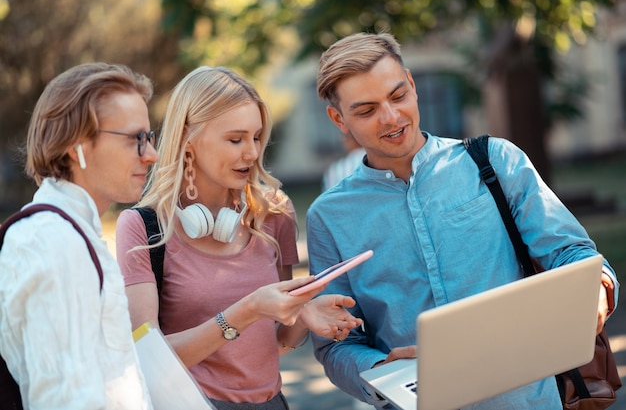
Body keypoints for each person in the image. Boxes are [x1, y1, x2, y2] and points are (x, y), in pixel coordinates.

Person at [306, 32, 620, 409]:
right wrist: (381, 369)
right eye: (366, 110)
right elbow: (337, 345)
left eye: (397, 96)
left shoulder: (495, 162)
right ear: (337, 119)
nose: (391, 118)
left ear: (411, 84)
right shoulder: (328, 217)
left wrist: (595, 293)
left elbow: (573, 253)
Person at [115, 66, 362, 410]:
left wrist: (303, 313)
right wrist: (245, 310)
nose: (252, 153)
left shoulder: (274, 213)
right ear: (189, 138)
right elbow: (145, 356)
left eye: (257, 137)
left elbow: (275, 343)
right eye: (235, 139)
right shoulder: (142, 228)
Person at [0, 63, 157, 409]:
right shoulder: (51, 240)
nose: (151, 155)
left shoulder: (72, 234)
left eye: (150, 137)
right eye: (136, 139)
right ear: (77, 145)